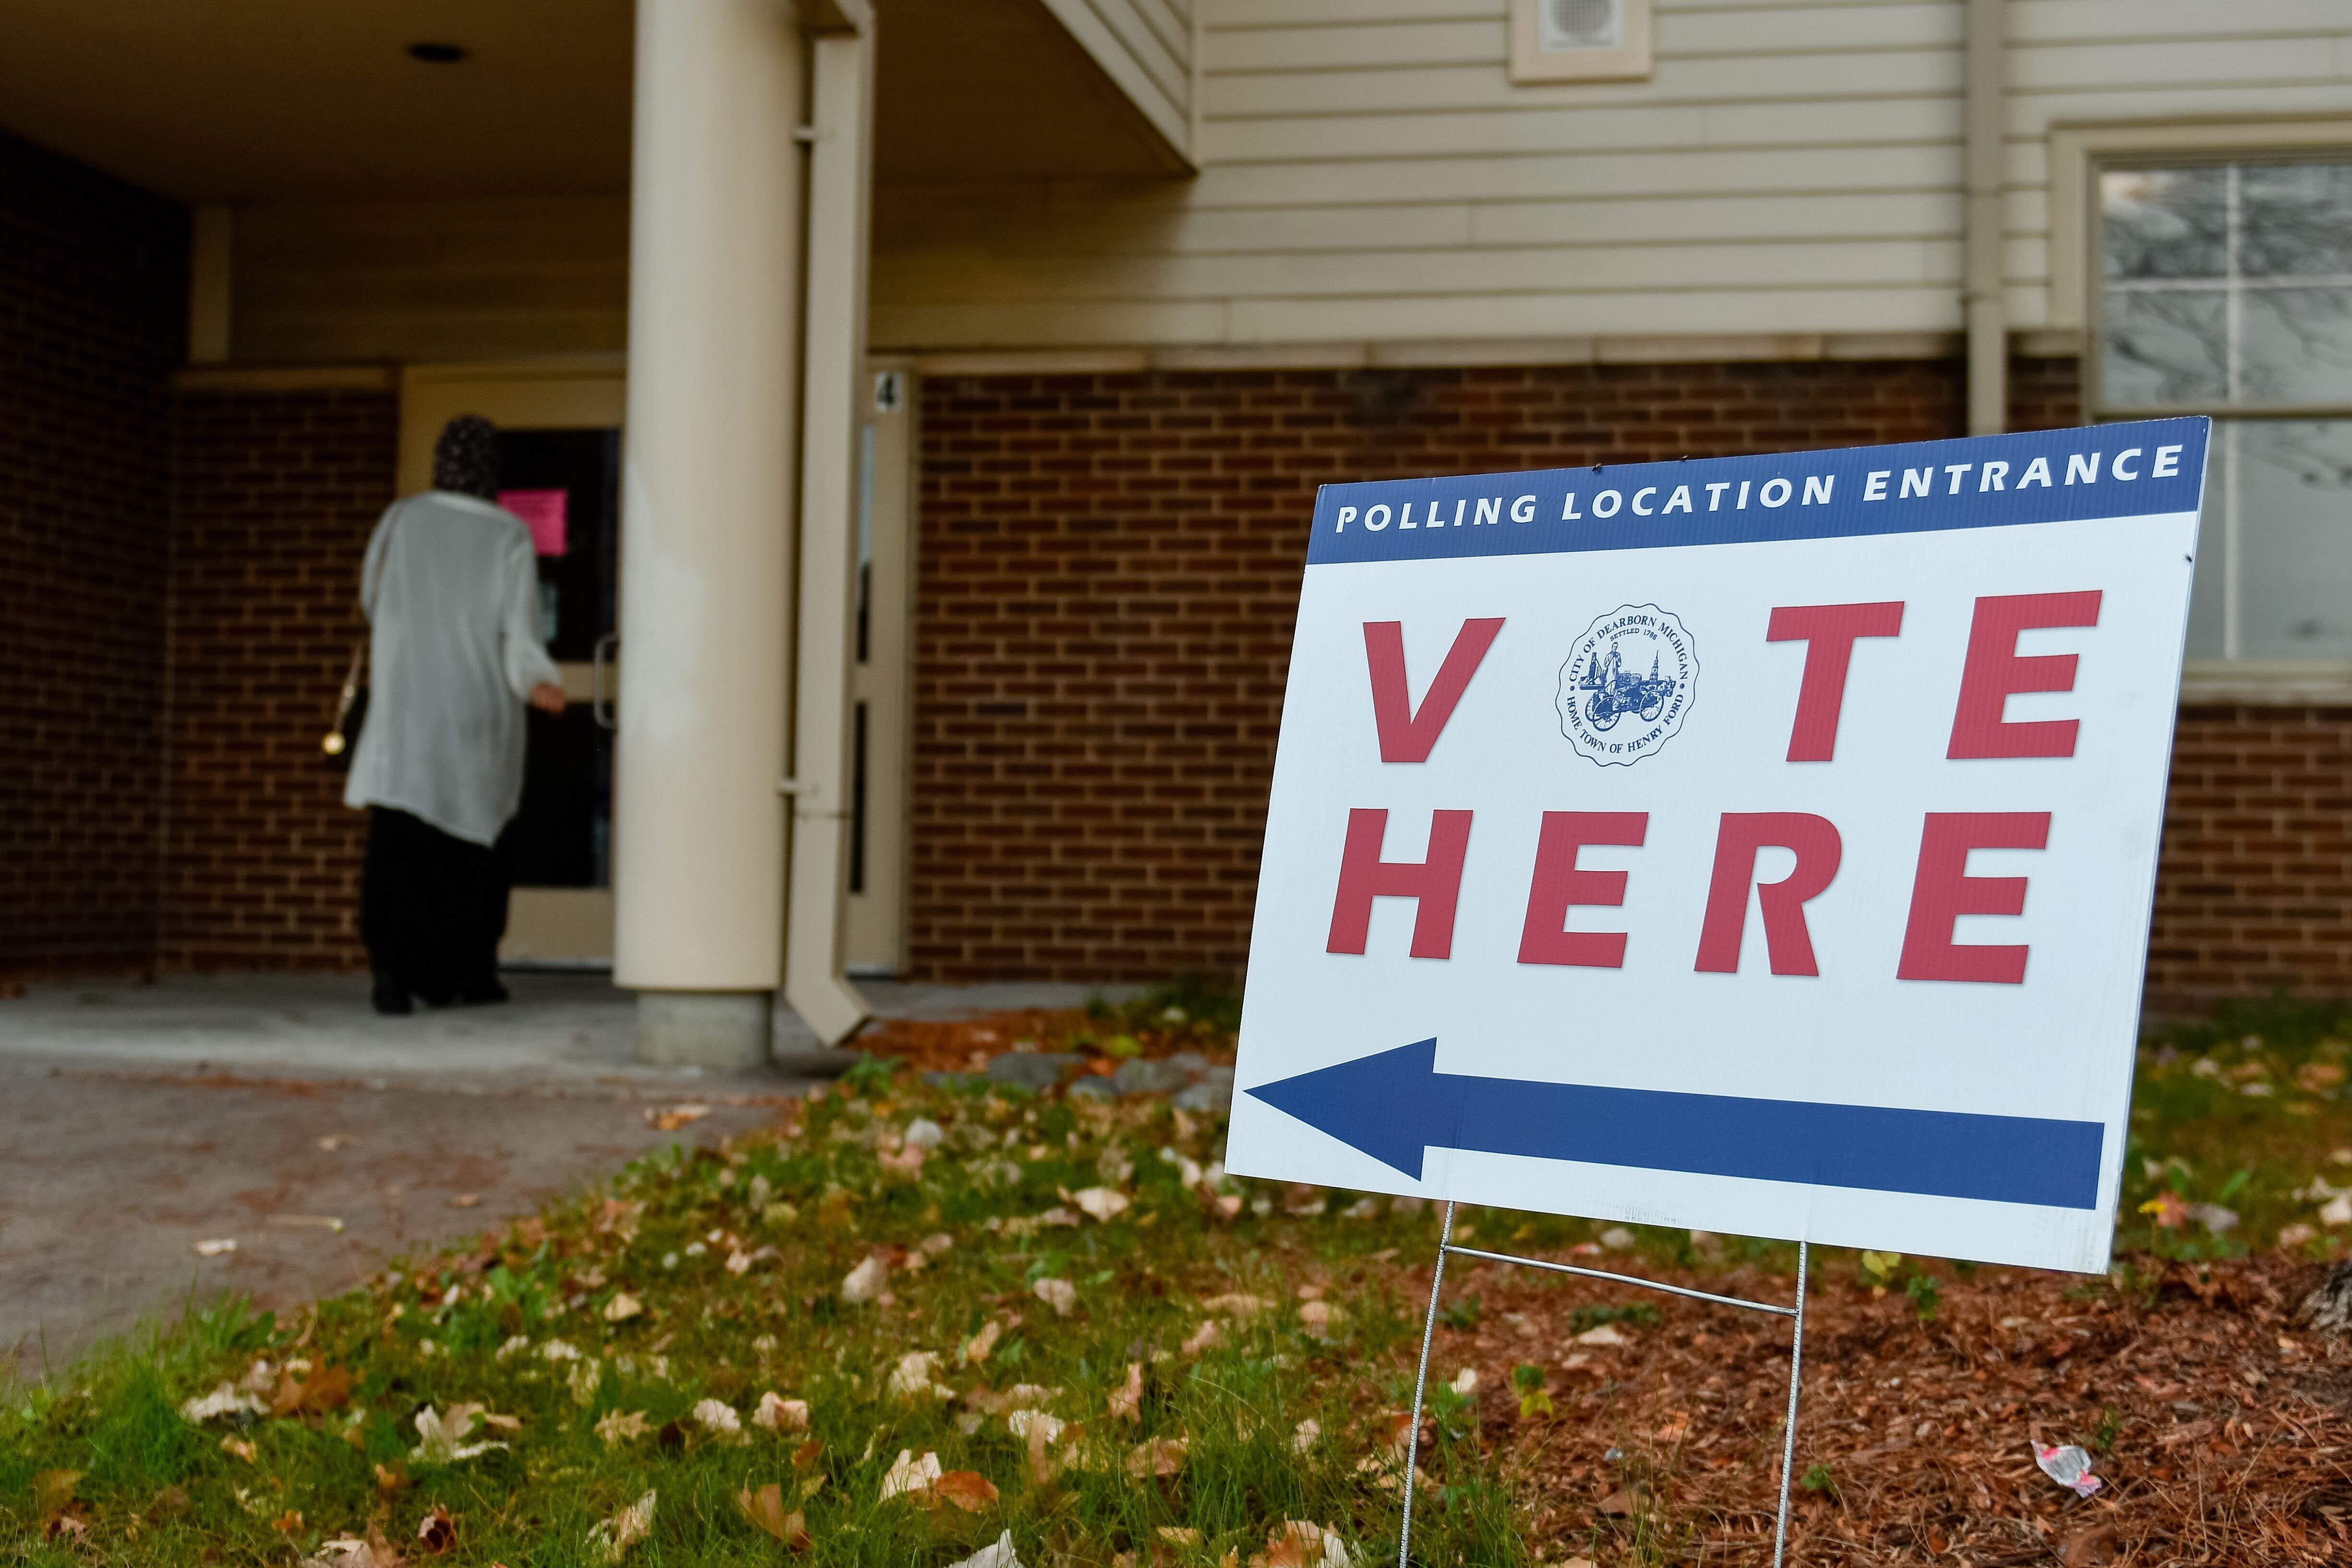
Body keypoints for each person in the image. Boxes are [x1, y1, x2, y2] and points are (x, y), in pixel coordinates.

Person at [344, 414, 566, 1014]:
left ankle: (392, 971)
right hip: (477, 716)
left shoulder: (403, 520)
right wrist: (539, 681)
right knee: (472, 849)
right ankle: (465, 975)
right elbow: (518, 635)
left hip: (408, 712)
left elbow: (372, 597)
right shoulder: (509, 535)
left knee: (400, 843)